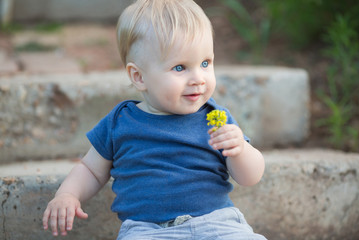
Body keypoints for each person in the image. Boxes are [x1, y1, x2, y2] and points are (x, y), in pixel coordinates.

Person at [42, 0, 267, 239]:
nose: (198, 78)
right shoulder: (121, 121)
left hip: (217, 223)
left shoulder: (215, 119)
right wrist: (67, 195)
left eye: (205, 63)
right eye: (180, 67)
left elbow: (250, 177)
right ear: (139, 77)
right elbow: (91, 170)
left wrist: (240, 150)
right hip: (147, 230)